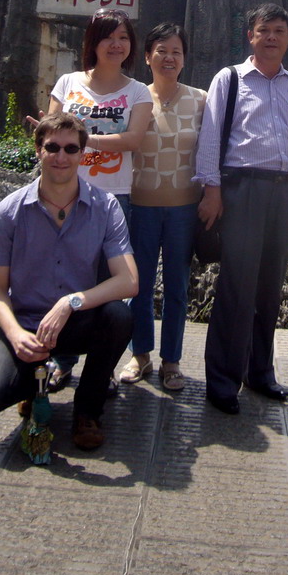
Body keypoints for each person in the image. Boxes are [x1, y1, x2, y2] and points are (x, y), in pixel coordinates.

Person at [0, 113, 138, 450]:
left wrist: (70, 302)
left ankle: (87, 411)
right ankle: (33, 387)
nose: (61, 157)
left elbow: (128, 281)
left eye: (70, 149)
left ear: (82, 154)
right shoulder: (10, 211)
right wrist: (16, 334)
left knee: (119, 317)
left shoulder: (105, 207)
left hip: (77, 322)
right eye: (52, 147)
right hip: (28, 324)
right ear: (38, 150)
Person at [195, 3, 288, 415]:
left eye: (279, 30)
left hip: (284, 195)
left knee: (270, 287)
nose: (271, 37)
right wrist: (212, 191)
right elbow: (210, 140)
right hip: (241, 189)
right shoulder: (229, 79)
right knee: (236, 287)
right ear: (250, 35)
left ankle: (260, 372)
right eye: (264, 29)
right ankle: (223, 381)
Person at [44, 6, 153, 390]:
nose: (117, 44)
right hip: (62, 195)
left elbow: (132, 141)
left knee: (108, 286)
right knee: (63, 279)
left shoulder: (137, 91)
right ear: (93, 42)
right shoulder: (68, 82)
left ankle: (102, 366)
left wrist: (78, 140)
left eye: (123, 38)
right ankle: (61, 360)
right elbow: (49, 134)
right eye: (109, 36)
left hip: (113, 199)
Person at [119, 23, 206, 391]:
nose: (169, 57)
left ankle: (172, 360)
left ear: (184, 58)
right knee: (135, 285)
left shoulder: (202, 99)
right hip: (140, 206)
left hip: (185, 209)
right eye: (161, 50)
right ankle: (140, 355)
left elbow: (213, 152)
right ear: (147, 57)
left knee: (177, 286)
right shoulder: (135, 98)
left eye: (176, 51)